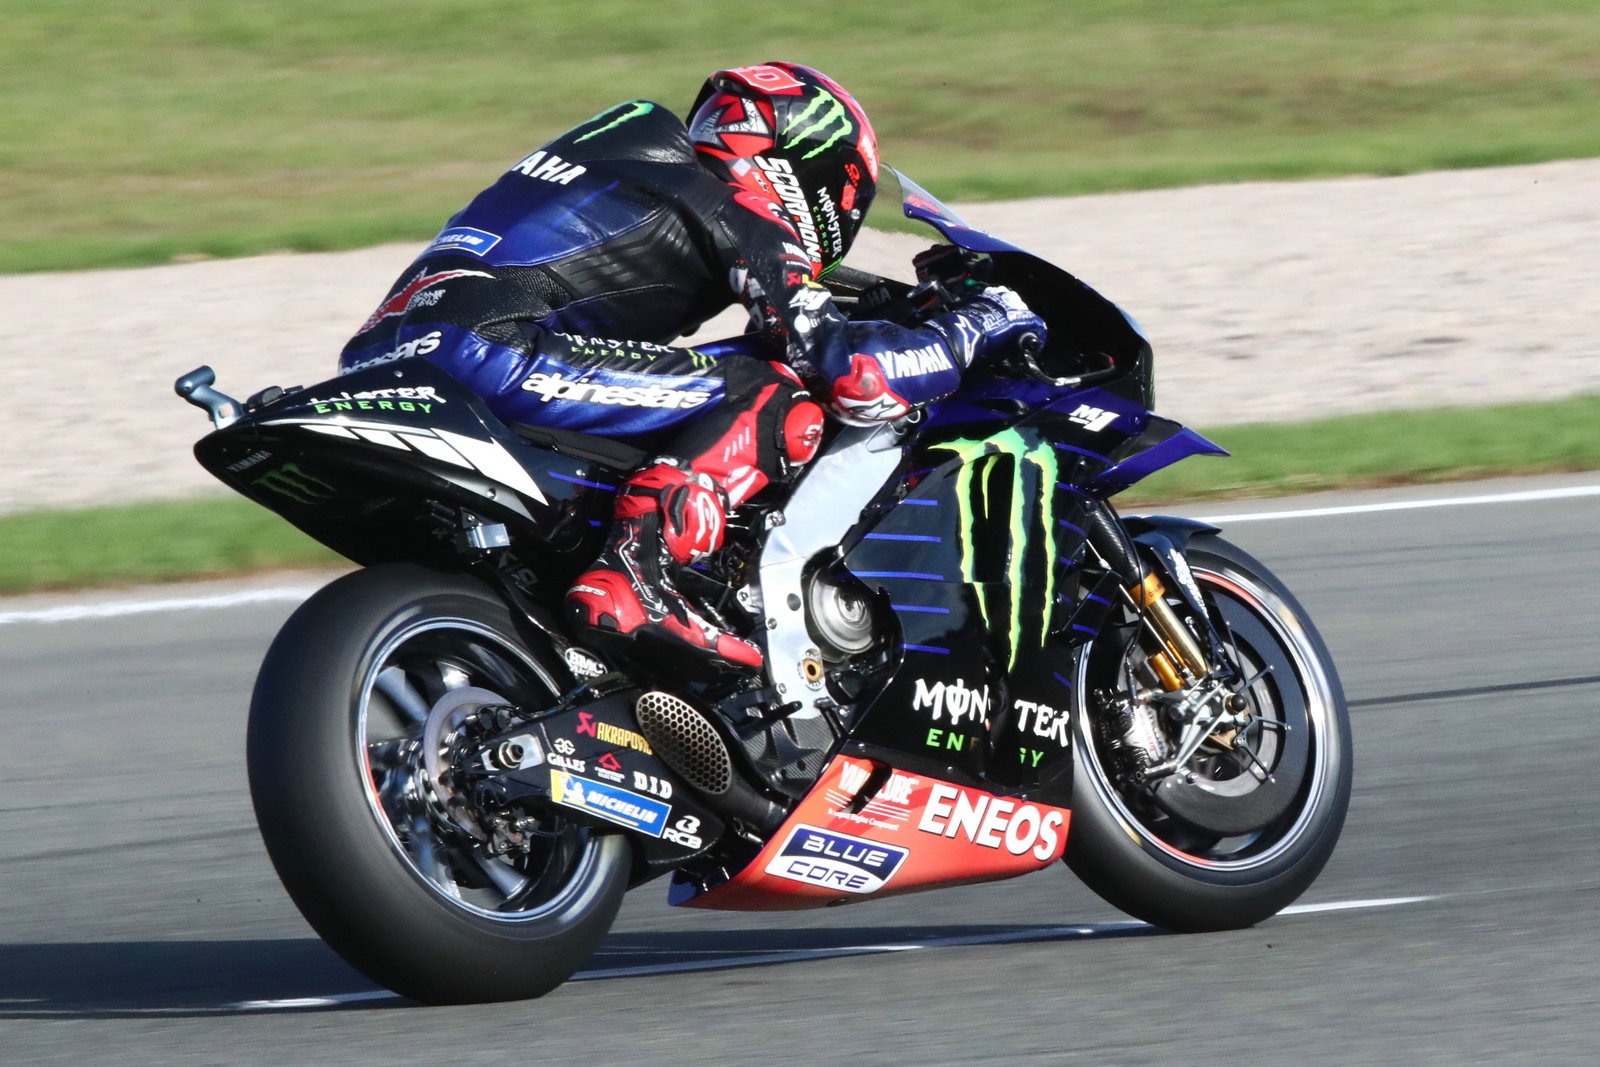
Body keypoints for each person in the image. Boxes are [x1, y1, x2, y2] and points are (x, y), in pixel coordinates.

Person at [339, 62, 1045, 672]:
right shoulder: (732, 198)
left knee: (715, 378)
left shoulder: (632, 163)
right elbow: (851, 375)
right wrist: (978, 325)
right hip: (492, 349)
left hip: (385, 357)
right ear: (810, 169)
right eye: (843, 195)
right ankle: (639, 570)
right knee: (772, 395)